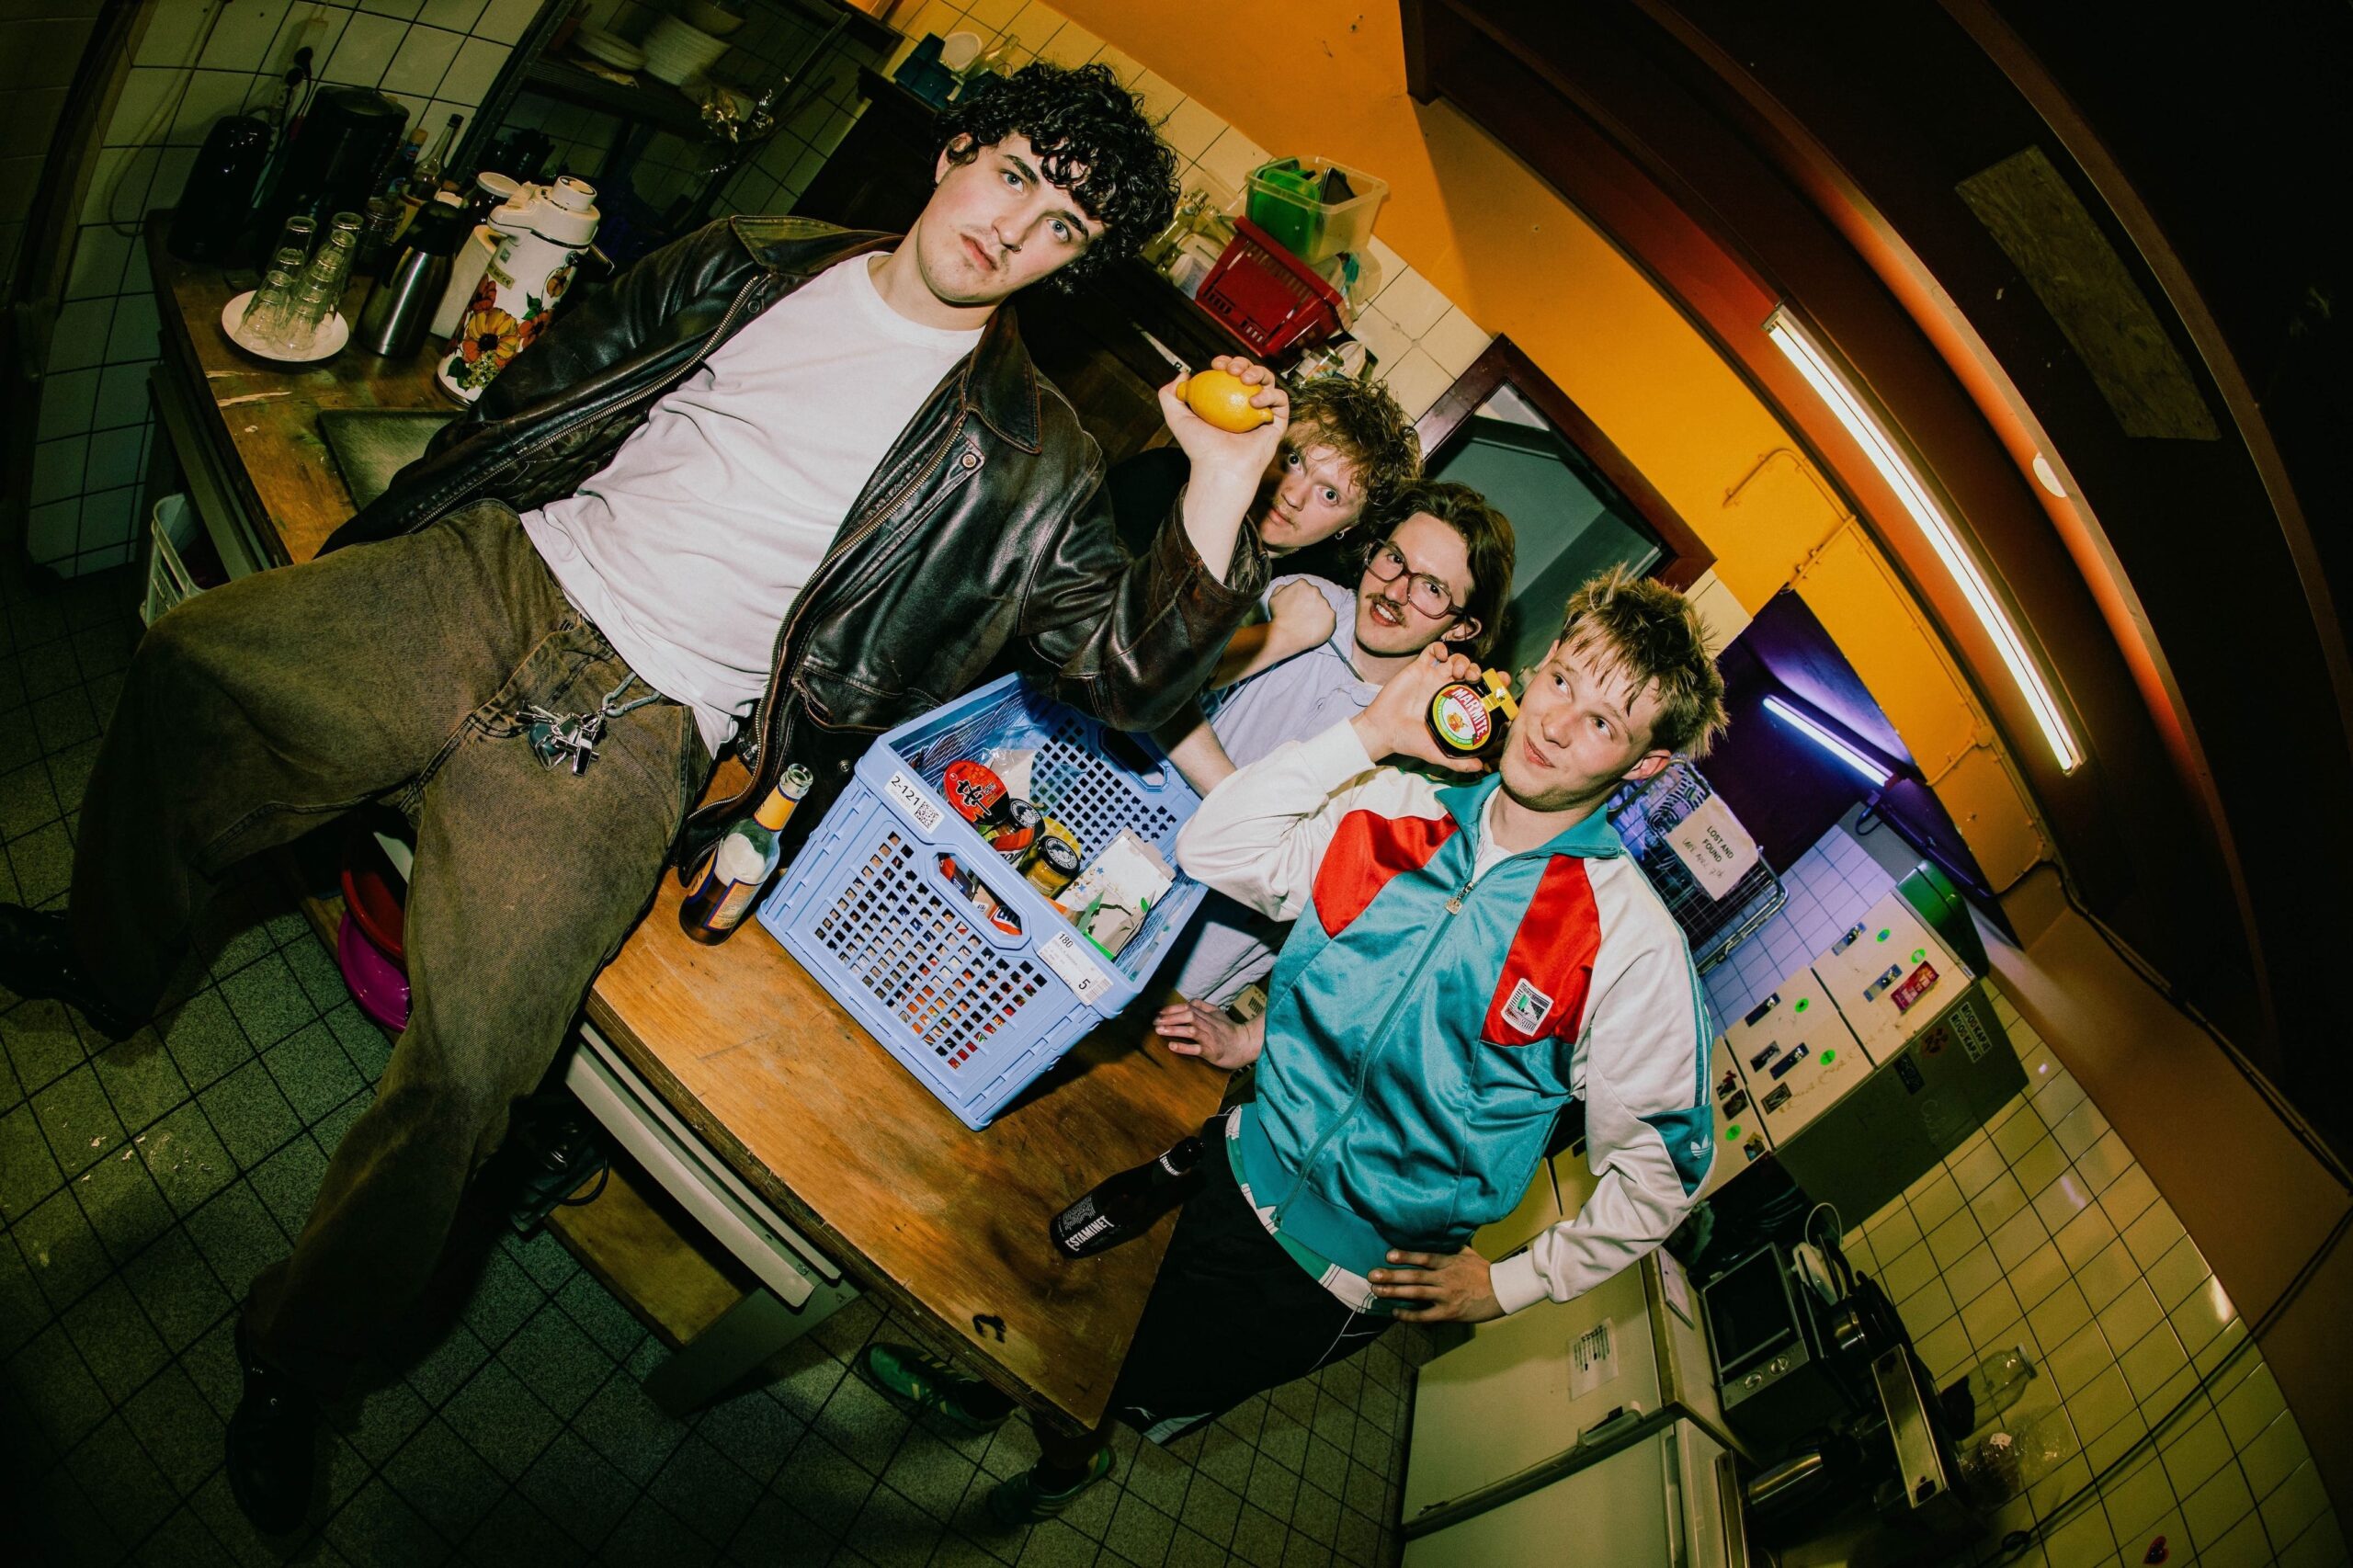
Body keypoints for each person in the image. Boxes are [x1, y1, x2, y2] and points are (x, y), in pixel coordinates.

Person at [0, 62, 1281, 1533]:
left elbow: (1125, 675)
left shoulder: (1033, 457)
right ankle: (105, 960)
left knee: (475, 1075)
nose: (1014, 227)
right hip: (508, 573)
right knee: (193, 662)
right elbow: (554, 383)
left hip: (646, 722)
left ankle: (298, 1358)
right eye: (1016, 177)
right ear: (958, 152)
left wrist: (1221, 486)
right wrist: (433, 506)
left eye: (1061, 228)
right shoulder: (749, 259)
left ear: (1067, 268)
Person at [858, 566, 1730, 1523]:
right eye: (1562, 679)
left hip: (1329, 1275)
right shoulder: (1402, 805)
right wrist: (1369, 734)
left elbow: (1662, 1176)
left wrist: (1511, 1283)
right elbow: (1218, 852)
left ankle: (1066, 1462)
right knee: (1068, 1296)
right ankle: (992, 1383)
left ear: (1644, 763)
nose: (1556, 725)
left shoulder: (1630, 943)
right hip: (1229, 1155)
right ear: (1537, 665)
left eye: (1603, 722)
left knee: (1121, 1384)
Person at [1154, 480, 1517, 1012]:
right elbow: (1156, 686)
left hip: (1198, 965)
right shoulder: (1297, 602)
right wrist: (1283, 635)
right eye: (1395, 558)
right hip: (1127, 844)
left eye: (1432, 589)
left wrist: (1239, 815)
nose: (1395, 592)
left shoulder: (1426, 748)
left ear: (1462, 628)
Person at [1107, 370, 1421, 563]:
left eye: (1330, 495)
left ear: (1349, 526)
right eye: (1294, 460)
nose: (1293, 496)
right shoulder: (1159, 479)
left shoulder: (1303, 600)